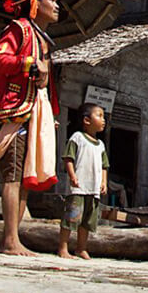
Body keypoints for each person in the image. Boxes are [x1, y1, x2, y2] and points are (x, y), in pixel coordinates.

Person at [0, 0, 62, 256]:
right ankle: (9, 240)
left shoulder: (44, 40)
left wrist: (51, 114)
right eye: (51, 0)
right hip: (16, 109)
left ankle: (13, 237)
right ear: (34, 3)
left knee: (26, 177)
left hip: (36, 112)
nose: (57, 5)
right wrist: (29, 64)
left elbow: (48, 84)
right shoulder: (19, 29)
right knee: (13, 175)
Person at [58, 103, 108, 259]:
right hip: (79, 187)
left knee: (87, 221)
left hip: (93, 188)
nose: (103, 120)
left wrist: (103, 182)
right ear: (87, 120)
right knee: (71, 218)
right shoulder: (77, 138)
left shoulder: (101, 145)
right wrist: (72, 176)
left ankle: (81, 248)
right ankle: (63, 247)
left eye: (103, 116)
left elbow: (104, 166)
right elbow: (68, 158)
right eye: (99, 116)